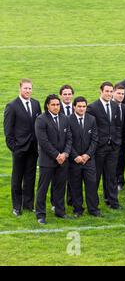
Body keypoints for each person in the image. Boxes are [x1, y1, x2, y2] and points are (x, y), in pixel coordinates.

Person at [4, 79, 41, 216]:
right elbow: (8, 132)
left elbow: (39, 125)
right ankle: (16, 206)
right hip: (19, 149)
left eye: (30, 88)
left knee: (30, 178)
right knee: (17, 179)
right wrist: (15, 148)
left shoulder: (36, 104)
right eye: (25, 88)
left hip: (33, 148)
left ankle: (28, 204)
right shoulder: (12, 106)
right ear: (20, 88)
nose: (28, 91)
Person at [34, 94, 72, 224]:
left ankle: (60, 212)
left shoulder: (65, 118)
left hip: (63, 160)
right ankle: (40, 214)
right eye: (53, 105)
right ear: (47, 106)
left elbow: (69, 139)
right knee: (43, 188)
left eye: (58, 104)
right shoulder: (41, 119)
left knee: (60, 187)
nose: (56, 107)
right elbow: (43, 141)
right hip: (47, 161)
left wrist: (65, 154)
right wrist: (57, 155)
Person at [87, 82, 123, 209]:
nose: (108, 94)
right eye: (106, 91)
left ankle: (112, 201)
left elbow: (118, 125)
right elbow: (91, 129)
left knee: (111, 176)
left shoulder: (115, 106)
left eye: (110, 91)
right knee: (95, 178)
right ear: (101, 91)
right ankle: (93, 205)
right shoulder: (92, 107)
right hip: (99, 148)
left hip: (113, 147)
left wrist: (117, 141)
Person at [68, 96, 101, 217]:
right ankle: (78, 210)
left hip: (89, 160)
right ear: (74, 107)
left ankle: (93, 209)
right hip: (74, 161)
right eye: (79, 106)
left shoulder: (91, 119)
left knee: (91, 185)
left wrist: (87, 155)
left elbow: (95, 139)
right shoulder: (68, 120)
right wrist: (75, 156)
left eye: (84, 106)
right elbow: (68, 141)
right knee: (75, 186)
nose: (82, 109)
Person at [113, 84, 125, 191]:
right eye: (118, 93)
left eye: (123, 94)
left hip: (124, 140)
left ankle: (120, 181)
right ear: (113, 93)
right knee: (113, 162)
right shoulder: (110, 107)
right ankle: (113, 182)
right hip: (112, 141)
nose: (121, 96)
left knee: (122, 161)